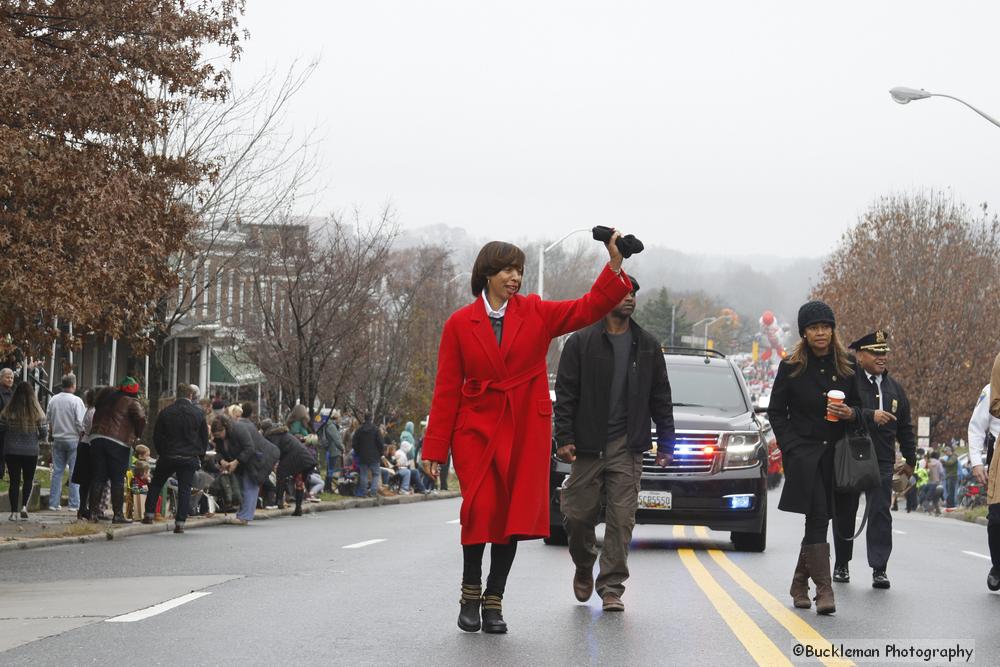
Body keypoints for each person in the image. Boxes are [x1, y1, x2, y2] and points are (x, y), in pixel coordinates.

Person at [422, 233, 632, 634]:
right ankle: (470, 592)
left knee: (510, 517)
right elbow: (446, 389)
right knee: (480, 509)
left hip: (523, 428)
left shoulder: (536, 313)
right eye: (507, 270)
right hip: (476, 431)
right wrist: (435, 448)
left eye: (519, 270)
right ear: (487, 274)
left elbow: (589, 306)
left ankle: (494, 601)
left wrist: (615, 266)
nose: (515, 277)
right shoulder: (459, 324)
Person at [554, 275, 674, 612]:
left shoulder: (648, 345)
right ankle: (583, 563)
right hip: (589, 446)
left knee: (622, 519)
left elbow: (661, 397)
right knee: (577, 516)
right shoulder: (580, 342)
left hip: (628, 445)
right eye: (622, 292)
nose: (630, 298)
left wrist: (666, 443)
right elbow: (566, 394)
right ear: (606, 297)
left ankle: (611, 587)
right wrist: (563, 437)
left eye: (634, 292)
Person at [766, 300, 862, 615]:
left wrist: (850, 412)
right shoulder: (791, 365)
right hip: (804, 454)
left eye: (825, 327)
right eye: (813, 328)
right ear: (804, 332)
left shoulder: (848, 364)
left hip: (837, 454)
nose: (820, 333)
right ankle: (824, 590)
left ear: (832, 330)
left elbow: (861, 409)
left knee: (819, 518)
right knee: (819, 515)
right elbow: (776, 412)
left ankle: (798, 582)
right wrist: (790, 446)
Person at [831, 331, 916, 590]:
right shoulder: (849, 381)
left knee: (880, 512)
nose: (882, 358)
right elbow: (839, 411)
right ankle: (842, 563)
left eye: (884, 353)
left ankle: (879, 568)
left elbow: (905, 428)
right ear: (860, 355)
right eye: (875, 353)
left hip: (882, 460)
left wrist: (911, 460)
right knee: (845, 511)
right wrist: (869, 415)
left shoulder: (895, 389)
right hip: (852, 455)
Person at [143, 383, 209, 534]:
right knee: (185, 489)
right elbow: (204, 438)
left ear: (176, 394)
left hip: (169, 455)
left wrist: (162, 452)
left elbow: (157, 435)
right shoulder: (198, 414)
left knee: (157, 483)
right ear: (191, 395)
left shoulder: (166, 412)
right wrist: (200, 456)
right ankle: (180, 522)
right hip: (189, 457)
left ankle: (149, 514)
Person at [88, 377, 146, 524]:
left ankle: (93, 513)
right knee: (117, 479)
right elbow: (140, 418)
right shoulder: (132, 402)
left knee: (98, 477)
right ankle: (118, 514)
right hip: (117, 442)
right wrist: (138, 435)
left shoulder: (106, 398)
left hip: (96, 439)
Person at [210, 414, 279, 524]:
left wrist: (236, 462)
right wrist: (222, 461)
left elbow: (249, 447)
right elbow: (219, 452)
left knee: (250, 485)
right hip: (246, 460)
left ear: (225, 428)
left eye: (220, 434)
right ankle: (242, 515)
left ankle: (244, 517)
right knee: (242, 486)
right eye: (216, 436)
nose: (219, 437)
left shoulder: (239, 429)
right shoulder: (221, 437)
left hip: (259, 457)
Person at [0, 381, 47, 520]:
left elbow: (1, 428)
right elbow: (44, 432)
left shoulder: (8, 411)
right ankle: (24, 507)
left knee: (14, 481)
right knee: (28, 479)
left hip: (11, 450)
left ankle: (13, 512)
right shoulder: (37, 411)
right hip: (30, 450)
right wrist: (35, 438)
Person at [969, 381, 1000, 590]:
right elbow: (976, 427)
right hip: (998, 456)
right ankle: (998, 566)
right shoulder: (992, 390)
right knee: (997, 518)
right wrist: (977, 462)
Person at [46, 373, 86, 511]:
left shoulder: (53, 400)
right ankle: (74, 504)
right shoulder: (77, 401)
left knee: (57, 471)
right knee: (74, 472)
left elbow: (48, 419)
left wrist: (52, 433)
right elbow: (80, 422)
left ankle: (53, 503)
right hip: (73, 439)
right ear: (74, 385)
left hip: (58, 438)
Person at [263, 419, 316, 516]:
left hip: (292, 456)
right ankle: (298, 508)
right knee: (299, 481)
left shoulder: (272, 436)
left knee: (281, 474)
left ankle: (279, 502)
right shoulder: (281, 432)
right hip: (303, 456)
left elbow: (274, 451)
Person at [72, 388, 98, 520]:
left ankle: (83, 507)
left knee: (85, 480)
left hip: (84, 444)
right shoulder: (94, 412)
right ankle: (85, 507)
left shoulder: (89, 410)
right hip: (89, 445)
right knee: (89, 478)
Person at [352, 414, 384, 497]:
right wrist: (380, 453)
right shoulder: (376, 429)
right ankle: (373, 492)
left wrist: (358, 452)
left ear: (364, 419)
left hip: (363, 456)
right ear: (371, 419)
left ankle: (363, 493)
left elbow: (354, 443)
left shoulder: (359, 430)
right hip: (374, 456)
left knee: (363, 474)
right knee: (376, 474)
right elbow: (380, 443)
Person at [317, 409, 344, 491]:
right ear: (336, 418)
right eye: (340, 417)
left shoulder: (326, 425)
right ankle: (328, 487)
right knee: (331, 469)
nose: (340, 419)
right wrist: (342, 447)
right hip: (333, 450)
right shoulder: (331, 426)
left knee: (329, 469)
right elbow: (336, 439)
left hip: (328, 449)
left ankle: (327, 486)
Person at [0, 367, 15, 478]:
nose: (10, 380)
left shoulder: (12, 393)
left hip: (10, 429)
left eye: (12, 378)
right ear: (1, 378)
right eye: (7, 377)